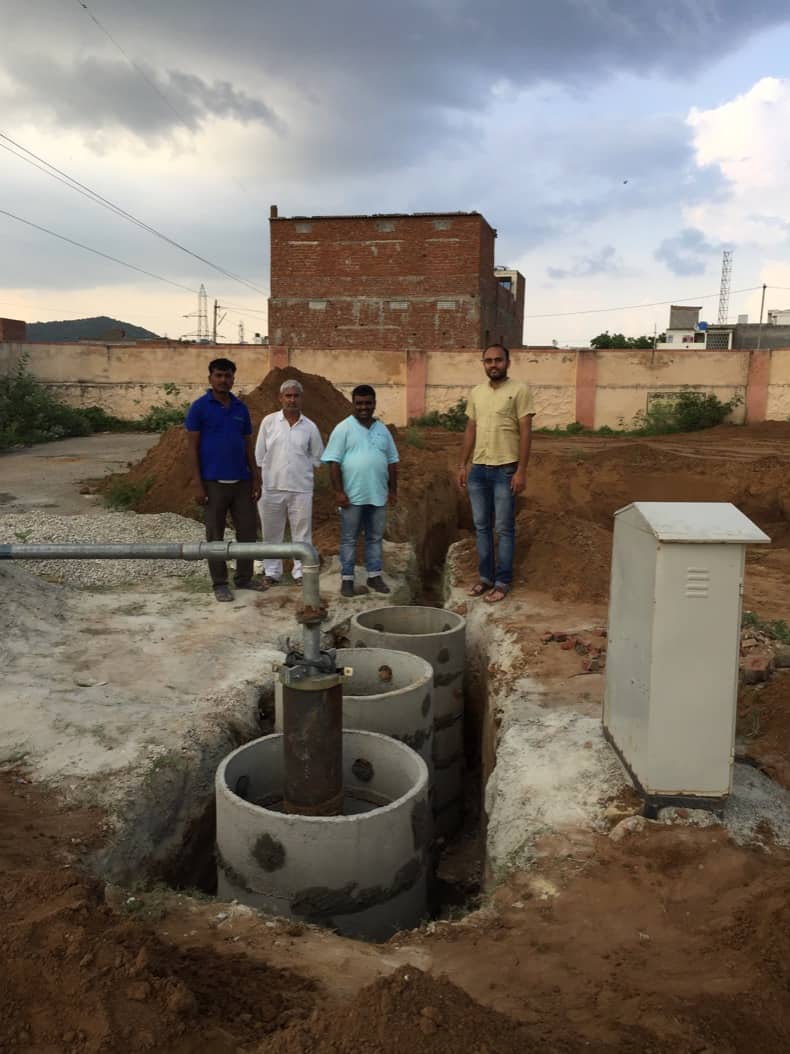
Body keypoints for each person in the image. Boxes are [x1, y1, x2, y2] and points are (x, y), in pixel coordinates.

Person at [457, 344, 535, 604]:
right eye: (488, 361)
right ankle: (485, 578)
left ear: (507, 363)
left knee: (504, 527)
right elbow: (471, 428)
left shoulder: (519, 391)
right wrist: (462, 464)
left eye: (498, 360)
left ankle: (502, 581)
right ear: (483, 364)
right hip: (478, 470)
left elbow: (526, 432)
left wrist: (521, 471)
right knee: (481, 526)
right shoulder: (476, 393)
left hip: (505, 469)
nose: (493, 365)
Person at [185, 357, 265, 602]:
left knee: (248, 532)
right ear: (210, 378)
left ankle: (244, 578)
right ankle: (219, 583)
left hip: (241, 481)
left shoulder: (241, 408)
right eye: (218, 375)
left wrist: (256, 477)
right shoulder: (199, 408)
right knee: (215, 535)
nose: (223, 380)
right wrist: (198, 483)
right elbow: (192, 448)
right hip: (212, 483)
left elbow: (247, 445)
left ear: (233, 378)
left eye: (228, 376)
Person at [322, 384, 399, 598]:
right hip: (352, 497)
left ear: (374, 404)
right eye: (359, 403)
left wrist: (393, 491)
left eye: (368, 403)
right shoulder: (343, 428)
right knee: (349, 539)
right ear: (353, 404)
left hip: (378, 495)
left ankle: (374, 576)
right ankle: (347, 579)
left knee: (374, 538)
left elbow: (392, 461)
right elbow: (334, 462)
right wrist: (338, 492)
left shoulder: (382, 430)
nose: (364, 407)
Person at [254, 378, 324, 585]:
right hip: (271, 488)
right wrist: (260, 483)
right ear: (280, 398)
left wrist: (300, 470)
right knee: (271, 533)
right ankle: (272, 573)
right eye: (288, 396)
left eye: (296, 396)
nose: (292, 400)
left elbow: (317, 457)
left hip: (301, 489)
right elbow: (259, 455)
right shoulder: (269, 422)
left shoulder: (310, 427)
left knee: (302, 534)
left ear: (301, 399)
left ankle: (300, 572)